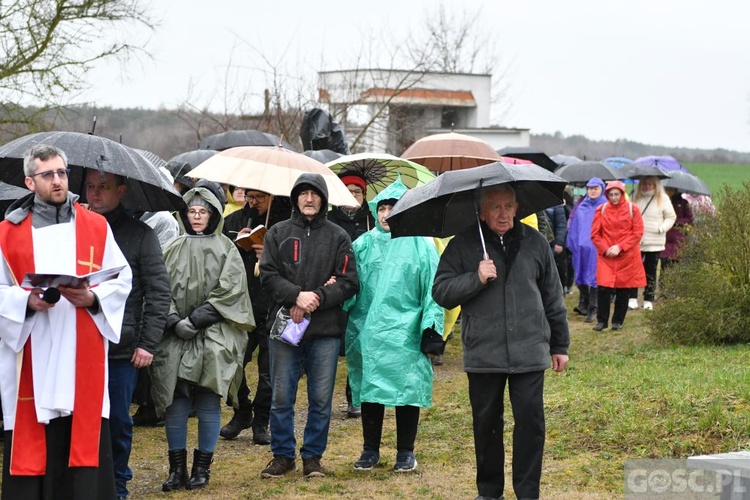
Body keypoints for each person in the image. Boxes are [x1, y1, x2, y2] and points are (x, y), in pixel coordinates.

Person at [0, 144, 132, 499]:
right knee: (36, 436)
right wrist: (24, 301)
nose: (58, 181)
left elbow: (122, 279)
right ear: (30, 181)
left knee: (82, 435)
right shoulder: (7, 234)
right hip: (33, 350)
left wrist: (93, 298)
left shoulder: (96, 226)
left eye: (62, 173)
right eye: (48, 175)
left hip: (80, 350)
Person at [432, 184, 570, 500]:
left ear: (517, 207)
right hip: (485, 352)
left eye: (509, 206)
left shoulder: (535, 242)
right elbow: (440, 291)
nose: (503, 213)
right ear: (481, 211)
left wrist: (559, 345)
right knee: (486, 425)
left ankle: (527, 492)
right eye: (495, 207)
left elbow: (552, 295)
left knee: (531, 426)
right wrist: (475, 278)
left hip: (529, 350)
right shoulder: (464, 244)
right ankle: (489, 491)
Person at [151, 186, 254, 492]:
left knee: (209, 398)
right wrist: (173, 321)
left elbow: (231, 290)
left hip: (214, 333)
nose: (197, 217)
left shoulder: (226, 248)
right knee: (176, 398)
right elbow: (159, 287)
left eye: (203, 211)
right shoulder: (170, 247)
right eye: (192, 211)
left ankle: (202, 468)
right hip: (175, 335)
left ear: (213, 214)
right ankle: (176, 469)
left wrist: (196, 320)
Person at [259, 172, 358, 479]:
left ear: (324, 199)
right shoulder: (278, 233)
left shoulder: (338, 236)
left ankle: (312, 457)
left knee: (320, 399)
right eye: (303, 193)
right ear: (295, 198)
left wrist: (317, 296)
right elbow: (267, 275)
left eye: (315, 194)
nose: (309, 199)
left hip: (324, 331)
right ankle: (283, 455)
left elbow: (349, 281)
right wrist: (295, 296)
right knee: (281, 396)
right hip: (285, 329)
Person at [344, 179, 444, 473]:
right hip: (368, 331)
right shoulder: (363, 244)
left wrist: (431, 329)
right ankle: (369, 449)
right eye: (382, 208)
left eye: (393, 208)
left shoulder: (422, 245)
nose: (386, 214)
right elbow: (349, 284)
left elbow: (433, 290)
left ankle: (405, 451)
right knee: (370, 390)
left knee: (407, 390)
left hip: (408, 332)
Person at [85, 170, 171, 500]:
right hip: (79, 342)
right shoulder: (73, 230)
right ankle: (84, 481)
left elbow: (158, 291)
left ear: (120, 191)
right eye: (90, 186)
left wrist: (147, 343)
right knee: (80, 419)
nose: (95, 193)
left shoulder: (140, 234)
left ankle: (117, 482)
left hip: (122, 346)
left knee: (118, 421)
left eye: (103, 187)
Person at [220, 188, 292, 444]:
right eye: (250, 196)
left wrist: (270, 256)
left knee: (268, 371)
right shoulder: (233, 221)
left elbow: (296, 265)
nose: (254, 201)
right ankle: (242, 410)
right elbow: (222, 258)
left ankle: (261, 420)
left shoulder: (286, 224)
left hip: (273, 307)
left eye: (260, 196)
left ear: (272, 196)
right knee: (231, 362)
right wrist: (238, 246)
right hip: (241, 305)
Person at [328, 171, 374, 418]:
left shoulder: (372, 220)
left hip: (364, 291)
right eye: (348, 191)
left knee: (360, 345)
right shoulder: (328, 220)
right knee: (332, 344)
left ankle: (354, 396)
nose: (353, 196)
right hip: (336, 289)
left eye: (357, 191)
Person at [590, 180, 647, 331]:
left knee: (623, 288)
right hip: (606, 256)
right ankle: (602, 321)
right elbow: (595, 234)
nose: (614, 197)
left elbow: (638, 232)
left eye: (617, 194)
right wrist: (606, 248)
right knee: (603, 287)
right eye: (611, 194)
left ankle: (618, 321)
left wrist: (620, 247)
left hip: (626, 256)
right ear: (607, 195)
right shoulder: (601, 210)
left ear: (622, 194)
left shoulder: (632, 209)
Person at [629, 176, 676, 310]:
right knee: (634, 270)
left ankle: (648, 299)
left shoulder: (663, 198)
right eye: (645, 184)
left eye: (650, 184)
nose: (647, 186)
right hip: (636, 240)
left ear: (655, 185)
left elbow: (671, 216)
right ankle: (632, 297)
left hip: (655, 240)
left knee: (651, 270)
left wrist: (661, 228)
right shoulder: (636, 197)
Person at [566, 178, 607, 323]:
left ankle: (593, 308)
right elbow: (575, 227)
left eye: (596, 188)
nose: (593, 191)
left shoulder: (605, 206)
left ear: (601, 189)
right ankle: (587, 301)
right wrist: (572, 243)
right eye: (590, 188)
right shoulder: (582, 206)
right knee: (580, 278)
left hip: (597, 249)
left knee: (594, 278)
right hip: (581, 249)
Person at [660, 188, 694, 271]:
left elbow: (690, 218)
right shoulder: (660, 202)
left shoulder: (683, 203)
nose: (669, 192)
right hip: (664, 239)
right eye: (667, 190)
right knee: (664, 267)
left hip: (678, 240)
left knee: (676, 268)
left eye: (671, 190)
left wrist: (676, 221)